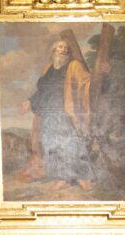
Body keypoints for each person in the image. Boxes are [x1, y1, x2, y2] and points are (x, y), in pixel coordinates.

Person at [18, 38, 96, 191]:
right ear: (54, 51)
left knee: (72, 144)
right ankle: (63, 178)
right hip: (48, 113)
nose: (63, 49)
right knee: (52, 146)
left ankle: (82, 177)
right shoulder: (48, 68)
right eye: (60, 47)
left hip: (65, 111)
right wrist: (29, 101)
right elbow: (42, 91)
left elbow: (87, 82)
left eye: (65, 47)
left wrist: (99, 75)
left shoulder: (74, 66)